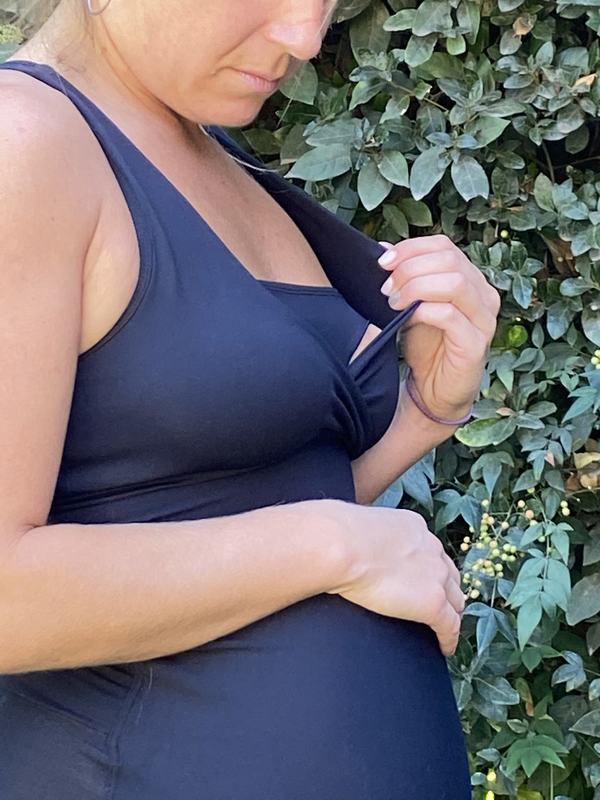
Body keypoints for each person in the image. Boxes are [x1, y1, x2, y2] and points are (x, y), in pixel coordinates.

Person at [0, 1, 500, 797]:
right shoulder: (24, 142)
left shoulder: (203, 145)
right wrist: (336, 544)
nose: (303, 37)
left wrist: (423, 412)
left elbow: (222, 507)